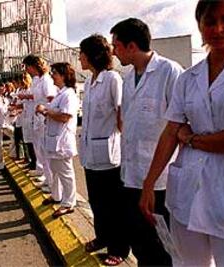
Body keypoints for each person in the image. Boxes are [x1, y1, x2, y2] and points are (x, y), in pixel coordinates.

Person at [139, 0, 224, 266]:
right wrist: (149, 183)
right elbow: (170, 132)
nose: (219, 28)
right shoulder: (189, 77)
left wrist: (191, 138)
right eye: (210, 21)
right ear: (200, 25)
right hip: (188, 193)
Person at [110, 18, 183, 266]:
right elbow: (128, 123)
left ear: (131, 46)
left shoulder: (169, 72)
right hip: (131, 174)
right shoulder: (129, 78)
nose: (113, 52)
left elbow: (179, 126)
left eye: (116, 46)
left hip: (160, 180)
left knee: (162, 244)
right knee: (140, 239)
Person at [78, 34, 128, 266]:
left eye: (82, 53)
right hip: (90, 153)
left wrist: (128, 146)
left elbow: (121, 115)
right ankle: (102, 238)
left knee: (114, 206)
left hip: (110, 155)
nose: (79, 58)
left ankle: (118, 248)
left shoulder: (112, 79)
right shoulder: (89, 81)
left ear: (92, 55)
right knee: (96, 202)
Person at [36, 62, 79, 218]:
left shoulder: (69, 94)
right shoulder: (60, 93)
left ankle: (69, 203)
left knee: (66, 174)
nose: (52, 75)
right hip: (54, 140)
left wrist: (46, 111)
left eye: (54, 72)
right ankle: (56, 196)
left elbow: (65, 116)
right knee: (55, 171)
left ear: (63, 75)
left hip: (62, 142)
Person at [22, 55, 57, 193]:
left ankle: (51, 182)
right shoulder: (38, 80)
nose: (27, 70)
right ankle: (46, 178)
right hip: (37, 118)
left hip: (43, 118)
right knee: (40, 150)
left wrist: (45, 111)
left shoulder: (46, 80)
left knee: (46, 151)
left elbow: (51, 99)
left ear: (33, 66)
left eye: (27, 66)